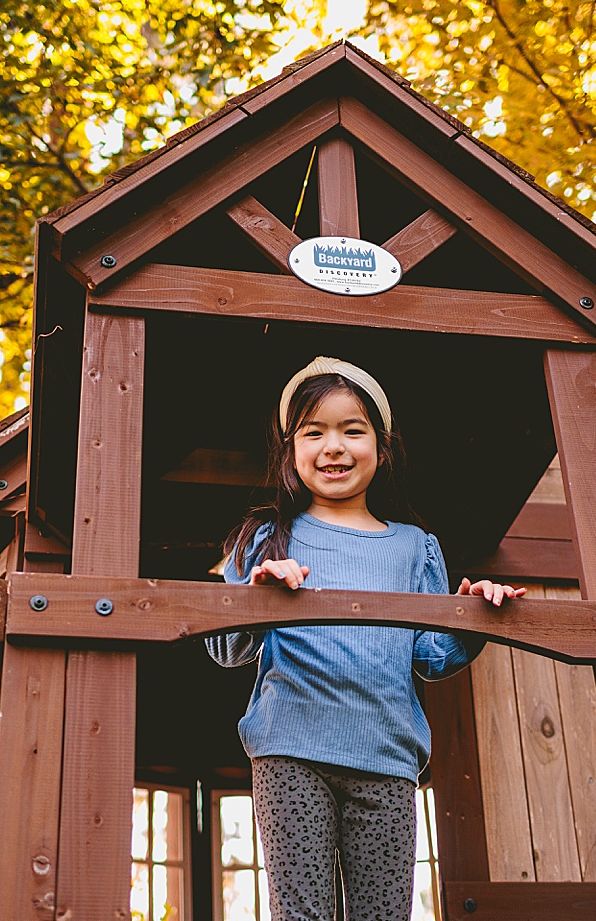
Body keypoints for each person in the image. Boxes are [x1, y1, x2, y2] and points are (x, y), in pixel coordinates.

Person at [206, 356, 525, 921]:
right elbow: (226, 649)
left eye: (353, 430)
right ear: (291, 451)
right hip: (291, 750)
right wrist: (257, 595)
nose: (334, 446)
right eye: (315, 432)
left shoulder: (414, 546)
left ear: (383, 446)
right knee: (301, 913)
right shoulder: (265, 538)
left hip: (388, 757)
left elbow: (430, 656)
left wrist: (476, 620)